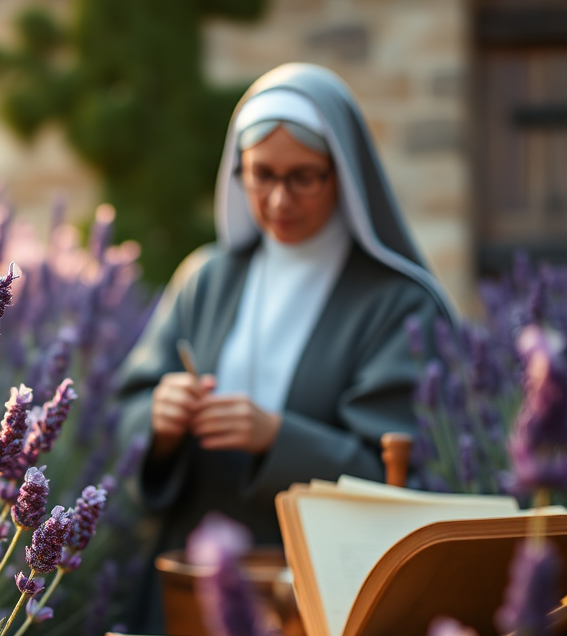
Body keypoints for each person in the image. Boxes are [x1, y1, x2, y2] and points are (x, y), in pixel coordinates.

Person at [116, 63, 455, 554]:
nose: (278, 200)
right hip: (185, 574)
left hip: (327, 583)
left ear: (343, 173)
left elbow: (402, 473)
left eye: (303, 177)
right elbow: (127, 410)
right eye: (261, 175)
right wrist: (160, 422)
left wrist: (277, 438)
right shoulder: (206, 278)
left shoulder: (398, 304)